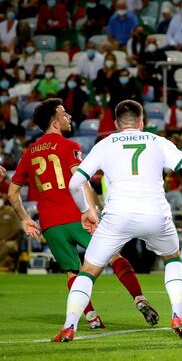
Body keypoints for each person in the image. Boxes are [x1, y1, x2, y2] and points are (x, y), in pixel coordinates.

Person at [52, 100, 182, 342]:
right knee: (172, 258)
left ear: (116, 124)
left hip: (118, 216)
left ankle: (70, 326)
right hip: (156, 214)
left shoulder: (104, 145)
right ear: (142, 122)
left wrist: (85, 210)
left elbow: (74, 183)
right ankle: (179, 316)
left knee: (89, 271)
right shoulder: (157, 142)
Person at [9, 99, 160, 333]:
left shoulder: (29, 152)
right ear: (54, 122)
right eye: (63, 113)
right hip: (75, 215)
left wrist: (25, 218)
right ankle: (139, 299)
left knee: (73, 271)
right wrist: (91, 211)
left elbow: (12, 191)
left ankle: (91, 317)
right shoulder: (69, 146)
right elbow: (79, 182)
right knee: (114, 256)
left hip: (50, 224)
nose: (68, 116)